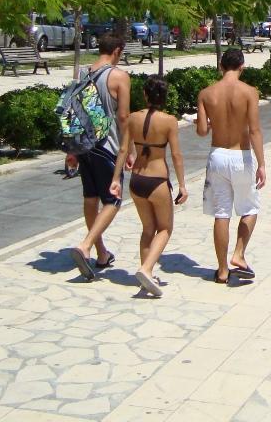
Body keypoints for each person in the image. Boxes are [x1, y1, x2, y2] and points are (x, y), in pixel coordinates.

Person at [109, 76, 188, 298]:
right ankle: (146, 269)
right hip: (157, 180)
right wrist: (182, 185)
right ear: (164, 97)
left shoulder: (133, 118)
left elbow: (123, 150)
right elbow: (176, 155)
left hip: (137, 181)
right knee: (165, 229)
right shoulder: (169, 121)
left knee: (147, 229)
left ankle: (147, 275)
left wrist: (116, 179)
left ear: (145, 95)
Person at [196, 48, 267, 284]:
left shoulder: (206, 93)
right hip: (241, 154)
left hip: (217, 154)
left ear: (220, 66)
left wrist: (202, 120)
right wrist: (262, 164)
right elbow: (255, 129)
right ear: (242, 66)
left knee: (221, 213)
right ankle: (238, 253)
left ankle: (222, 269)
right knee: (250, 208)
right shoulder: (249, 92)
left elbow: (202, 131)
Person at [68, 33, 131, 281]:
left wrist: (72, 151)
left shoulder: (84, 74)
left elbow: (74, 110)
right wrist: (131, 149)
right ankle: (85, 245)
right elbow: (124, 117)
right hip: (108, 146)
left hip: (84, 145)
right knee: (113, 200)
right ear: (117, 50)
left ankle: (101, 252)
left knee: (90, 197)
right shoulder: (119, 77)